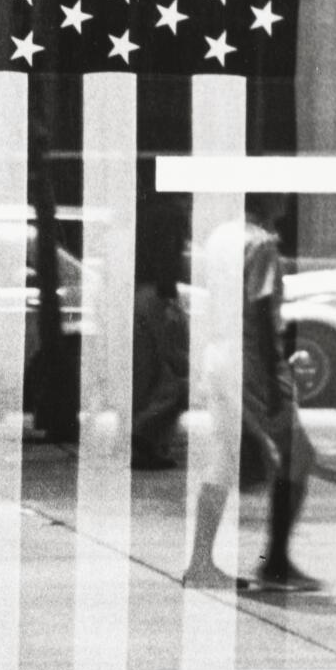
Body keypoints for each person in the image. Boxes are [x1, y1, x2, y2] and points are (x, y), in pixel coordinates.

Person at [185, 193, 321, 594]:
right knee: (300, 457)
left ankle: (201, 562)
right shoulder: (261, 243)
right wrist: (274, 387)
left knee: (223, 458)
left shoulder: (220, 237)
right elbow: (261, 311)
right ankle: (275, 562)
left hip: (218, 356)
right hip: (252, 361)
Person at [130, 198, 190, 470]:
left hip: (142, 293)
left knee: (150, 374)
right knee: (177, 374)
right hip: (157, 295)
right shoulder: (167, 224)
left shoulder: (142, 223)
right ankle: (143, 437)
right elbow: (168, 258)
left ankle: (147, 441)